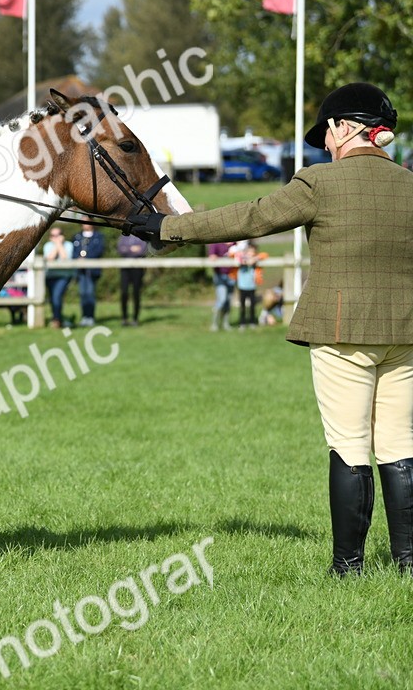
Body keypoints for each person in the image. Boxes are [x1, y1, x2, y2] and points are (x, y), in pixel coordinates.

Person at [125, 82, 413, 576]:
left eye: (327, 131)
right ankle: (408, 563)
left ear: (346, 128)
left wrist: (167, 227)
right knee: (401, 445)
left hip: (341, 330)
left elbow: (250, 218)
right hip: (406, 332)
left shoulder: (319, 183)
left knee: (348, 444)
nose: (324, 143)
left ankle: (349, 567)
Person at [72, 219, 105, 327]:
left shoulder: (98, 236)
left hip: (92, 269)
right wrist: (78, 259)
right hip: (81, 270)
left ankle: (90, 316)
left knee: (90, 293)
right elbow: (74, 251)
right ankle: (84, 316)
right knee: (83, 293)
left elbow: (99, 250)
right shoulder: (77, 236)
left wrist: (87, 258)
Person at [42, 227, 74, 329]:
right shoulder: (47, 246)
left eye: (58, 235)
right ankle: (57, 318)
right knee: (53, 299)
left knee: (57, 296)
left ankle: (56, 320)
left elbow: (65, 257)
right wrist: (57, 245)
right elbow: (50, 258)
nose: (55, 237)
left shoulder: (69, 245)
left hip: (63, 276)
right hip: (50, 276)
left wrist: (58, 244)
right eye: (53, 235)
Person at [116, 232, 147, 326]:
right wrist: (132, 249)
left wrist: (127, 249)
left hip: (138, 267)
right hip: (125, 267)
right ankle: (124, 318)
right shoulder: (123, 236)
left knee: (136, 293)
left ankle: (135, 318)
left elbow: (142, 250)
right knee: (124, 293)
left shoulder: (142, 236)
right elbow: (120, 249)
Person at [206, 241, 235, 332]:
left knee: (228, 301)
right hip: (220, 275)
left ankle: (225, 323)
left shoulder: (235, 243)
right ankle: (214, 324)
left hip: (232, 275)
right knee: (221, 300)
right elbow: (211, 256)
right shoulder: (216, 242)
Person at [235, 243, 260, 329]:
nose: (251, 254)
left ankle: (252, 322)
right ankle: (242, 323)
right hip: (242, 286)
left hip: (252, 286)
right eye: (249, 252)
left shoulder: (255, 260)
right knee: (242, 306)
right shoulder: (241, 258)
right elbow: (238, 259)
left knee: (252, 305)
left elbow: (264, 255)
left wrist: (255, 259)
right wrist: (246, 261)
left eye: (253, 252)